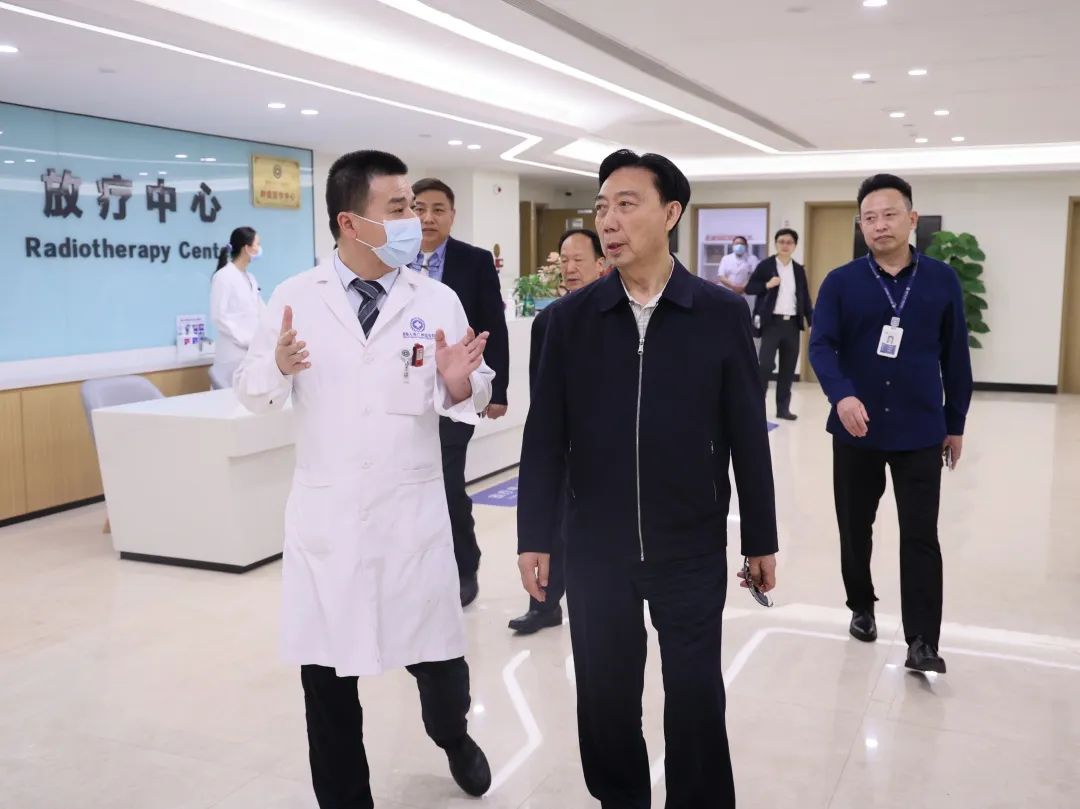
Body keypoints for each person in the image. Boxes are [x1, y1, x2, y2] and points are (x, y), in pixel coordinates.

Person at [517, 150, 779, 809]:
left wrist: (761, 538)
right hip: (595, 546)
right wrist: (534, 536)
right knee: (605, 697)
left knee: (695, 696)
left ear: (670, 213)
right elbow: (544, 438)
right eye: (602, 206)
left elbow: (748, 434)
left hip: (689, 542)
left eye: (627, 204)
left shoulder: (719, 313)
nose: (609, 220)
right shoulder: (567, 322)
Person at [234, 150, 494, 808]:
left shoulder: (436, 298)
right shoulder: (295, 298)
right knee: (326, 685)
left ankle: (453, 736)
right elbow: (252, 390)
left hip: (411, 522)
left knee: (440, 668)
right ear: (351, 222)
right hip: (332, 526)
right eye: (399, 208)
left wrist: (459, 382)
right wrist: (278, 366)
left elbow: (473, 387)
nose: (415, 220)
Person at [809, 173, 973, 674]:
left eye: (889, 214)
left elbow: (956, 356)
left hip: (920, 429)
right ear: (860, 225)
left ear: (912, 219)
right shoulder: (841, 282)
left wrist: (955, 422)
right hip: (855, 430)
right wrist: (841, 395)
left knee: (921, 534)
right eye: (869, 217)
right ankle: (861, 604)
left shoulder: (941, 280)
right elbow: (822, 346)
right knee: (855, 527)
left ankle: (922, 640)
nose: (879, 225)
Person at [410, 178, 510, 608]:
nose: (427, 218)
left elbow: (493, 325)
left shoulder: (474, 261)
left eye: (437, 209)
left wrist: (497, 390)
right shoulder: (391, 260)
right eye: (418, 208)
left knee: (449, 485)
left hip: (456, 393)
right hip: (404, 399)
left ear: (452, 215)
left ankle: (464, 565)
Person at [508, 227, 606, 636]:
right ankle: (544, 604)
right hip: (561, 442)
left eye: (578, 260)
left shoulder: (614, 317)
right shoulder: (548, 320)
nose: (569, 267)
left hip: (603, 446)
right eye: (564, 260)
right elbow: (540, 386)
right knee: (552, 524)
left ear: (602, 264)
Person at [747, 228, 813, 420]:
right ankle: (756, 408)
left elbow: (805, 298)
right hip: (771, 323)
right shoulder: (766, 266)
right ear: (776, 244)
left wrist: (811, 322)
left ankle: (783, 409)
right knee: (765, 366)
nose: (785, 245)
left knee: (788, 368)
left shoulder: (798, 269)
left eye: (789, 242)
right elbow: (750, 288)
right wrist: (766, 285)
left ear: (795, 246)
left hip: (792, 325)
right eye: (781, 241)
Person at [209, 226, 266, 385]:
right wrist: (245, 339)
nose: (259, 248)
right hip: (232, 355)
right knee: (231, 397)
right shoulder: (223, 277)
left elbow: (261, 310)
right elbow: (219, 317)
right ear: (247, 248)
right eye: (257, 244)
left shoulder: (250, 278)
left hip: (251, 354)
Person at [715, 234, 758, 309]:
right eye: (736, 244)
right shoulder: (726, 259)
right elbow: (721, 276)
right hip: (728, 291)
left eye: (741, 244)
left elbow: (755, 276)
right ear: (733, 245)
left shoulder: (752, 259)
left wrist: (742, 287)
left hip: (746, 293)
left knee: (745, 311)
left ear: (746, 246)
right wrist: (734, 286)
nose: (739, 246)